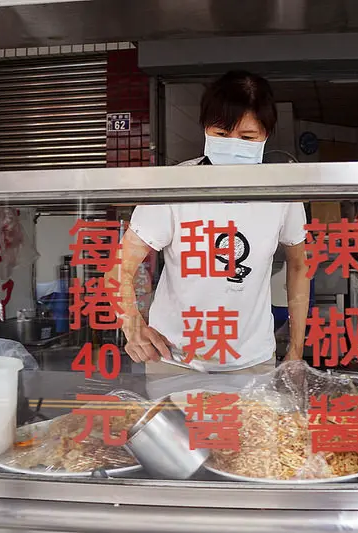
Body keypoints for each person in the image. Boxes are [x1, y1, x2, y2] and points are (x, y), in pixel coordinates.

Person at [110, 71, 309, 375]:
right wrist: (132, 325)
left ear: (266, 135)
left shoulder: (281, 193)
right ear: (204, 128)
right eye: (221, 134)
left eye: (247, 137)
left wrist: (296, 349)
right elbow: (119, 267)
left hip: (252, 361)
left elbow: (299, 266)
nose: (233, 145)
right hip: (175, 360)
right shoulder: (174, 186)